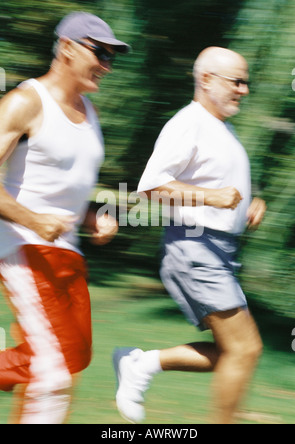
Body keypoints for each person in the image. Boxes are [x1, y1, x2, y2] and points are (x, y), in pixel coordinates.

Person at [113, 47, 266, 425]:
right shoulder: (189, 122)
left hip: (219, 248)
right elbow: (151, 186)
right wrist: (212, 197)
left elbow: (215, 180)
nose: (244, 90)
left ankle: (141, 364)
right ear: (207, 79)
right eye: (237, 81)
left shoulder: (220, 128)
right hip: (196, 246)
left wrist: (250, 202)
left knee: (232, 352)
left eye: (246, 82)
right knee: (245, 350)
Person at [0, 11, 129, 424]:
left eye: (113, 57)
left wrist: (92, 218)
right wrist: (33, 220)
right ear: (68, 48)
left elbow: (61, 190)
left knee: (74, 355)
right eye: (100, 53)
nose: (107, 65)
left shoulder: (90, 113)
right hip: (21, 245)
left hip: (66, 252)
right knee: (53, 375)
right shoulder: (25, 102)